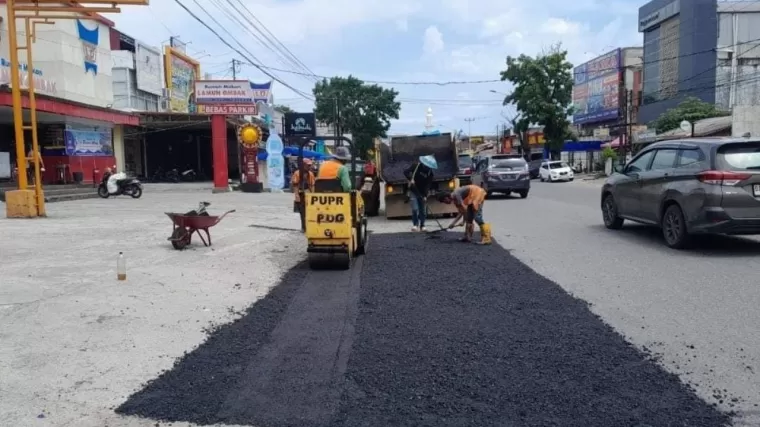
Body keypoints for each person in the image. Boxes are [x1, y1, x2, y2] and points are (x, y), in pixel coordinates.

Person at [404, 154, 436, 232]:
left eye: (429, 166)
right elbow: (405, 172)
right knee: (415, 208)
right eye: (426, 165)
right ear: (423, 162)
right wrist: (411, 179)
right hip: (413, 190)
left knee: (422, 210)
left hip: (422, 192)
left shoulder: (430, 173)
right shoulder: (416, 166)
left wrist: (425, 195)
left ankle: (422, 225)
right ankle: (415, 225)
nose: (427, 167)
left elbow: (428, 185)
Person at [291, 158, 315, 232]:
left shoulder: (310, 174)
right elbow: (295, 185)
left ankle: (309, 227)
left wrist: (313, 195)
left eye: (310, 165)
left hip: (308, 194)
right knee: (302, 212)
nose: (309, 167)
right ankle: (304, 227)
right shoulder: (297, 173)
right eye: (308, 165)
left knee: (310, 212)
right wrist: (297, 195)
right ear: (303, 165)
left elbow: (312, 185)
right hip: (301, 194)